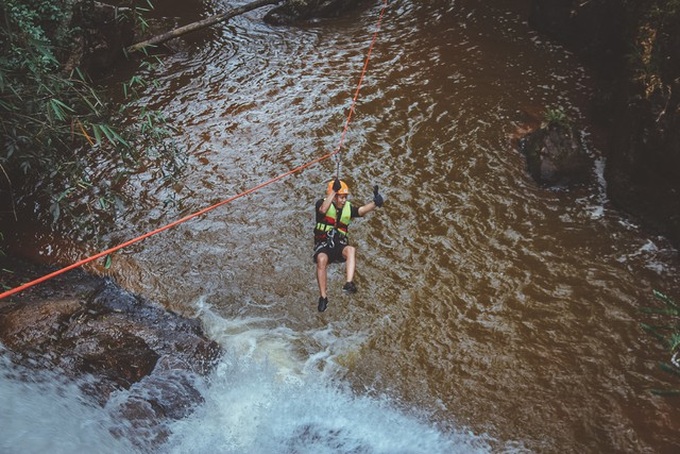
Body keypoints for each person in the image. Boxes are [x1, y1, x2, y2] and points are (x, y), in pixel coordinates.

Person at [313, 177, 384, 312]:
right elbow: (323, 210)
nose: (344, 200)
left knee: (351, 250)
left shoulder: (348, 208)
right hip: (323, 245)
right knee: (321, 260)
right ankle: (323, 297)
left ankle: (349, 283)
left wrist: (375, 203)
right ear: (333, 197)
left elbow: (361, 211)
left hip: (339, 245)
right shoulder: (321, 205)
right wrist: (334, 191)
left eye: (345, 197)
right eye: (341, 197)